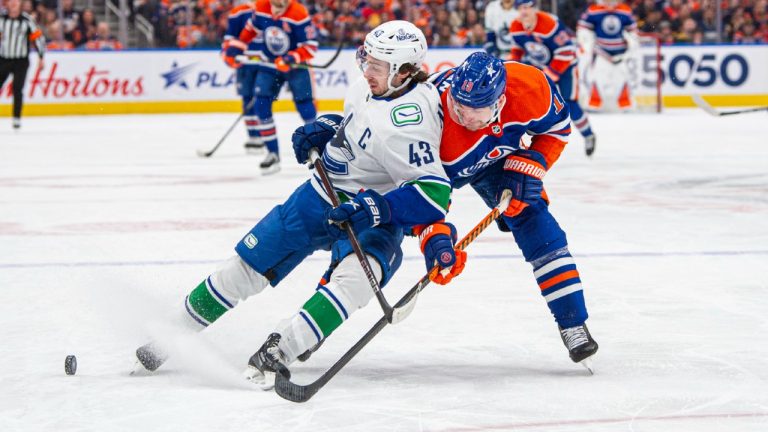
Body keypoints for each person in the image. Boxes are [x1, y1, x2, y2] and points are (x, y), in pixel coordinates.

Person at [134, 21, 454, 388]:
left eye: (377, 66)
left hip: (369, 213)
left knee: (355, 282)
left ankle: (280, 349)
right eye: (366, 59)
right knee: (245, 267)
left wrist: (374, 209)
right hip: (320, 194)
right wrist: (325, 127)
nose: (367, 70)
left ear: (405, 72)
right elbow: (358, 127)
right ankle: (172, 334)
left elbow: (433, 193)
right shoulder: (367, 86)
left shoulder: (412, 121)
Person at [429, 51, 599, 369]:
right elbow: (417, 189)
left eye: (476, 110)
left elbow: (558, 130)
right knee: (387, 229)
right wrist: (431, 232)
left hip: (496, 161)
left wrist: (533, 162)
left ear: (500, 102)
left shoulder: (529, 87)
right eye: (459, 106)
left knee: (536, 221)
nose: (465, 118)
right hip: (438, 170)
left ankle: (572, 322)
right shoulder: (431, 115)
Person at [222, 0, 319, 174]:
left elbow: (311, 46)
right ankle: (272, 153)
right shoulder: (261, 7)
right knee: (261, 105)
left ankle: (320, 147)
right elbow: (250, 30)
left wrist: (291, 58)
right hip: (269, 64)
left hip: (294, 68)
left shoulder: (298, 13)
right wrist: (235, 49)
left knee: (305, 106)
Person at [508, 0, 597, 157]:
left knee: (569, 103)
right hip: (541, 66)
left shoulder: (549, 24)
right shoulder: (515, 26)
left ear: (535, 8)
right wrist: (512, 67)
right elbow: (518, 50)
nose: (524, 11)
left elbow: (566, 51)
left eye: (528, 7)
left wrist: (549, 75)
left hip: (566, 66)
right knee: (527, 100)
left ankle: (588, 134)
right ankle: (527, 143)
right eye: (521, 8)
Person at [577, 0, 639, 112]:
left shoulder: (624, 10)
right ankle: (594, 104)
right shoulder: (594, 11)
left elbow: (632, 30)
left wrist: (631, 40)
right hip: (601, 53)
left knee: (622, 79)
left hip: (621, 54)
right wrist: (586, 41)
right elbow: (583, 28)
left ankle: (625, 105)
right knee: (598, 78)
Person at [222, 1, 265, 154]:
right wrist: (228, 53)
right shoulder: (238, 12)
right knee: (247, 98)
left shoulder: (269, 9)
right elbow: (230, 37)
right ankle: (253, 136)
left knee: (262, 100)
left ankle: (263, 135)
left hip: (265, 63)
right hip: (245, 64)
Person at [0, 0, 45, 130]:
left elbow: (38, 38)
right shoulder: (2, 19)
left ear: (20, 4)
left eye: (16, 1)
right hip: (4, 59)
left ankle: (16, 118)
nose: (14, 4)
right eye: (11, 2)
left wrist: (41, 57)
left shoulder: (27, 20)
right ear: (7, 4)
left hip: (21, 61)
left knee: (17, 89)